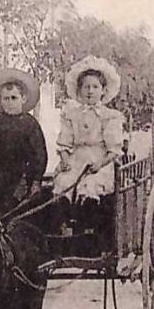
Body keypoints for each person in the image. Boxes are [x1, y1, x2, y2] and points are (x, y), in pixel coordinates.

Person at [51, 56, 127, 251]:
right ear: (79, 90)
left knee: (90, 185)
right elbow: (65, 142)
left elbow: (114, 150)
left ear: (103, 90)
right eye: (86, 87)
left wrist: (100, 164)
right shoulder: (72, 114)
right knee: (64, 183)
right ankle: (66, 231)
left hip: (100, 161)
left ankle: (91, 234)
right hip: (77, 159)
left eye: (94, 87)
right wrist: (66, 160)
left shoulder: (110, 116)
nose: (90, 91)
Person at [0, 66, 48, 216]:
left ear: (23, 99)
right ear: (1, 100)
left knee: (15, 209)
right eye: (6, 99)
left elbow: (39, 155)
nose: (9, 103)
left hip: (22, 178)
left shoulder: (30, 124)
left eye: (14, 98)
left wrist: (36, 182)